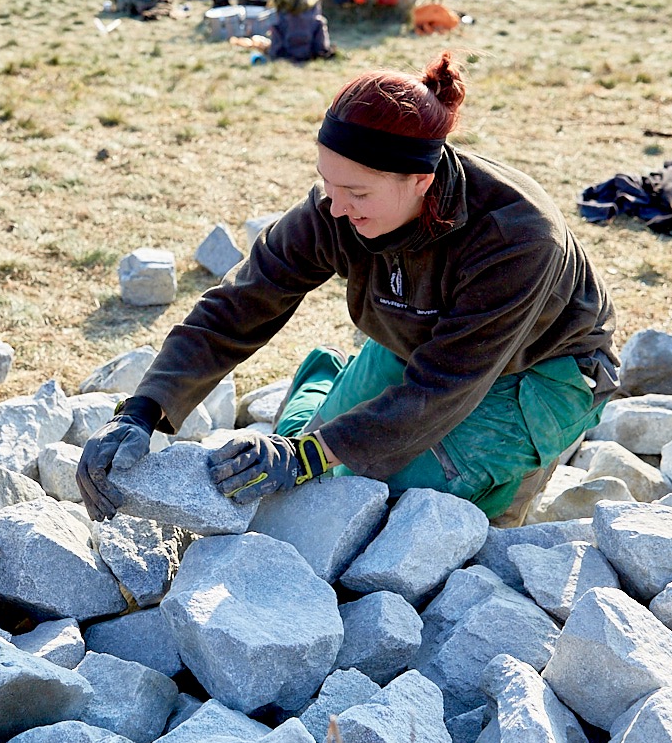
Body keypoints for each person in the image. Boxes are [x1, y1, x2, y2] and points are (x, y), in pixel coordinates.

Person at [78, 52, 617, 525]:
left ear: (421, 182)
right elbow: (239, 303)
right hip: (423, 340)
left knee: (391, 505)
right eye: (327, 183)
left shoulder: (516, 238)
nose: (334, 208)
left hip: (543, 370)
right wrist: (141, 411)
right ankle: (322, 385)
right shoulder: (338, 208)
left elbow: (444, 388)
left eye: (354, 191)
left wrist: (309, 455)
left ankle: (503, 494)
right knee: (306, 479)